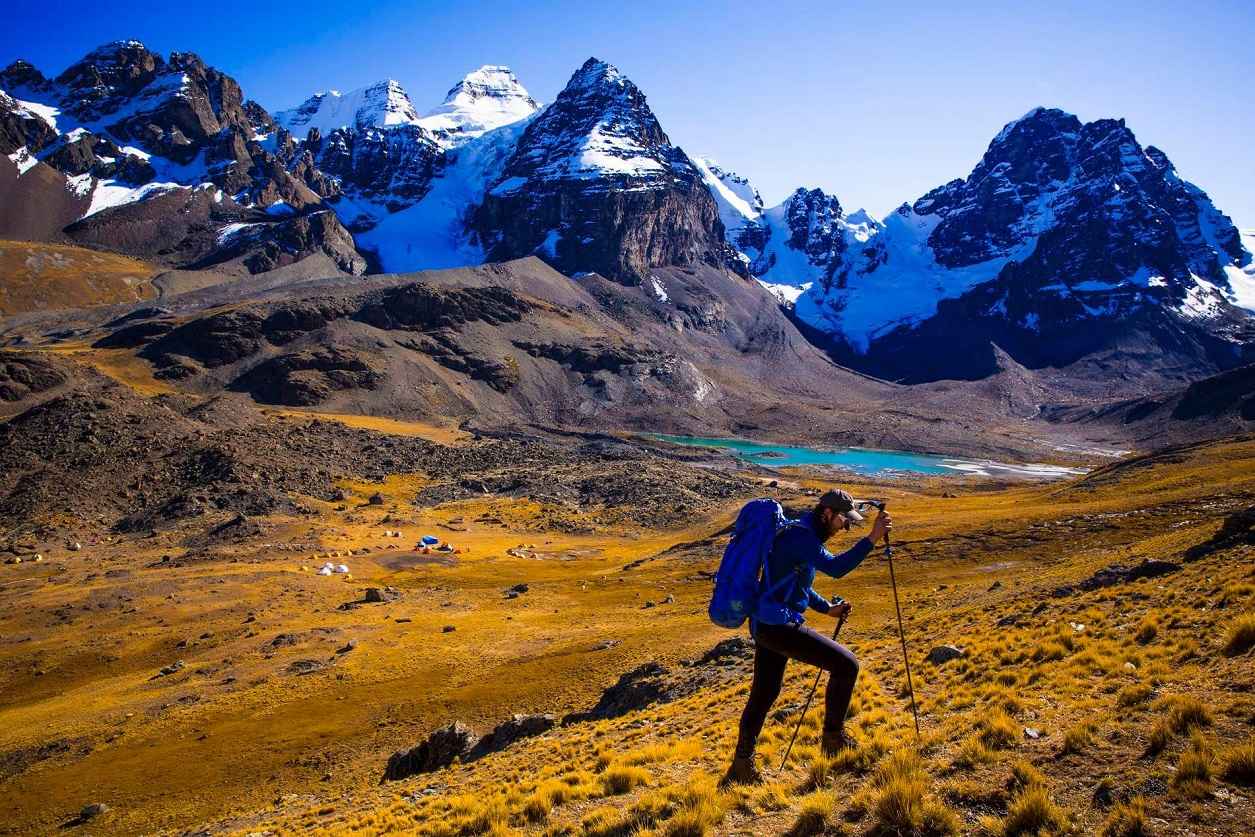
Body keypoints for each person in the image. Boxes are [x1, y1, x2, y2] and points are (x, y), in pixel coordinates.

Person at [722, 488, 891, 785]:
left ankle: (740, 767)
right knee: (846, 666)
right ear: (827, 513)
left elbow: (798, 583)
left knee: (764, 693)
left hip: (767, 623)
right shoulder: (803, 537)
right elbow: (836, 568)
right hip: (776, 625)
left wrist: (827, 608)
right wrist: (873, 538)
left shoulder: (802, 533)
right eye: (843, 520)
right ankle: (833, 741)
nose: (845, 526)